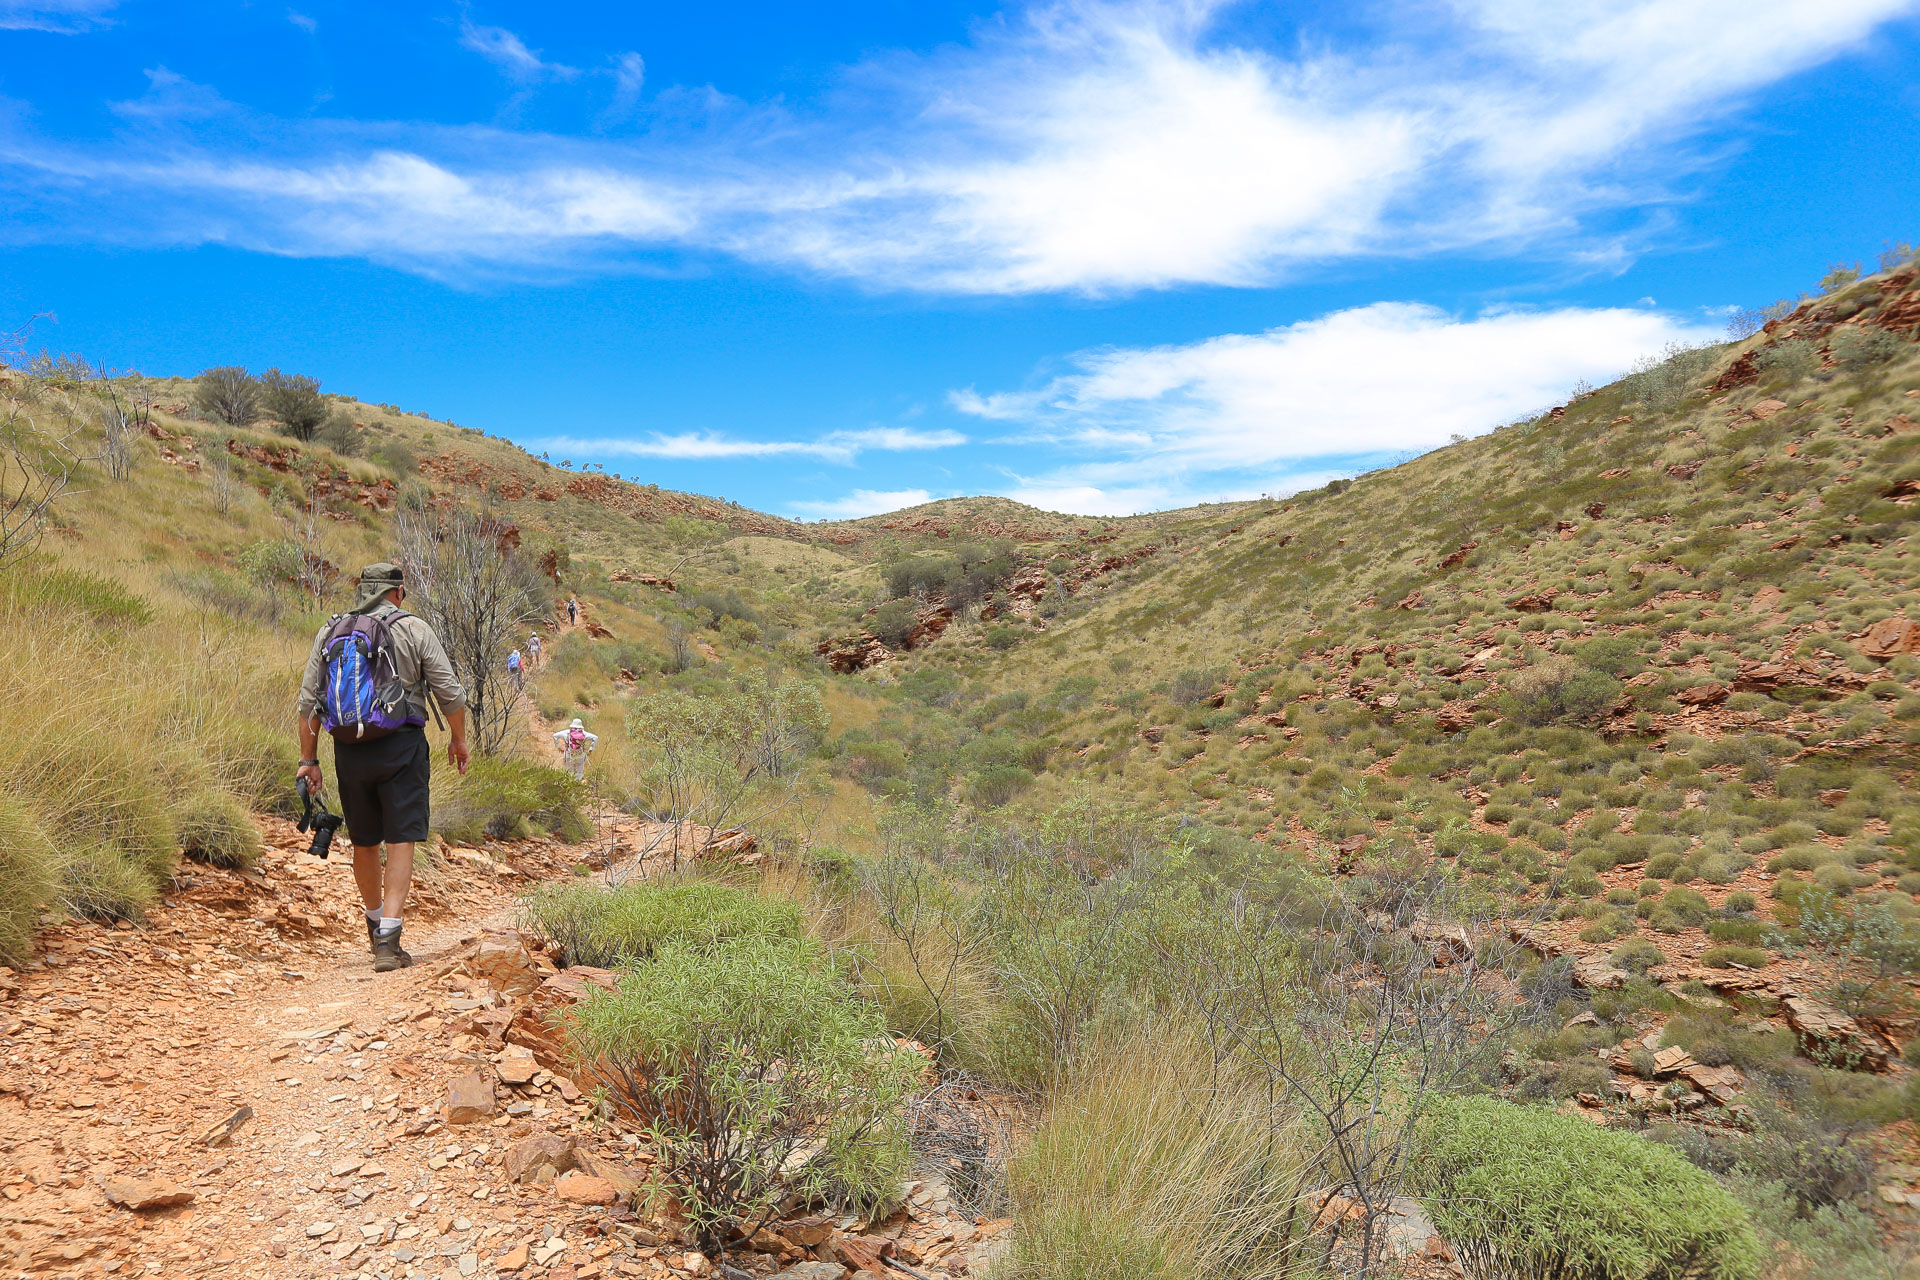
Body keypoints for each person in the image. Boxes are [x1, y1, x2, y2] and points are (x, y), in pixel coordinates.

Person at [296, 563, 469, 973]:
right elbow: (451, 693)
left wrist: (309, 760)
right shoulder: (413, 628)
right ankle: (390, 940)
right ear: (397, 593)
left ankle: (374, 926)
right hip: (401, 745)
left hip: (349, 750)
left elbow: (308, 704)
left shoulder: (331, 631)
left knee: (365, 841)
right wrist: (459, 740)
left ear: (363, 592)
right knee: (401, 838)